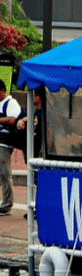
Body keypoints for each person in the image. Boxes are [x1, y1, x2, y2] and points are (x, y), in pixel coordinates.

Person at [0, 79, 22, 217]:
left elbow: (12, 119)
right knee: (2, 173)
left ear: (3, 91)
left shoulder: (11, 102)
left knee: (5, 173)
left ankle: (7, 204)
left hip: (5, 142)